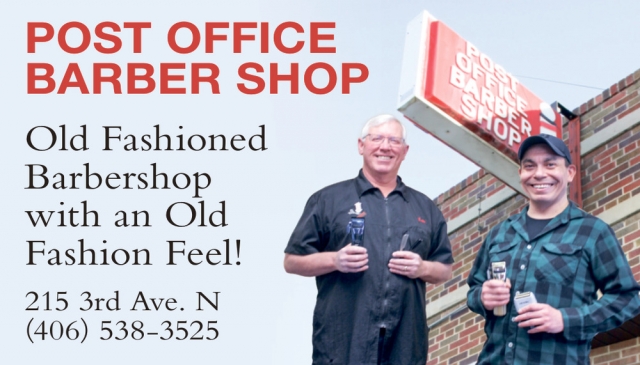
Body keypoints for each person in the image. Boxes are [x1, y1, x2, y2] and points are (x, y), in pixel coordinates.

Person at [284, 114, 454, 365]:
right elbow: (292, 261)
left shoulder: (425, 208)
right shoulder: (328, 200)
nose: (385, 146)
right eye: (377, 138)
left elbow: (445, 269)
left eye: (394, 141)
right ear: (361, 146)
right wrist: (335, 259)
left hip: (404, 343)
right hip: (342, 341)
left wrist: (423, 267)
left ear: (405, 151)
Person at [467, 134, 640, 364]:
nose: (539, 173)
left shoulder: (593, 231)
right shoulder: (499, 234)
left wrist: (564, 319)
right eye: (530, 166)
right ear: (521, 175)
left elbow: (627, 298)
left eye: (550, 164)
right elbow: (474, 290)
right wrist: (482, 296)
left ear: (569, 173)